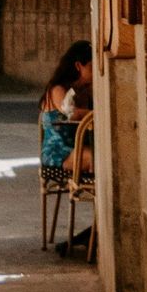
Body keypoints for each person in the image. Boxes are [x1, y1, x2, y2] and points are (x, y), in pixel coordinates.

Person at [40, 40, 94, 257]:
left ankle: (93, 233)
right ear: (79, 66)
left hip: (77, 147)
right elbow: (69, 113)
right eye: (92, 65)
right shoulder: (58, 90)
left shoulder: (85, 93)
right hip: (58, 152)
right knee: (96, 159)